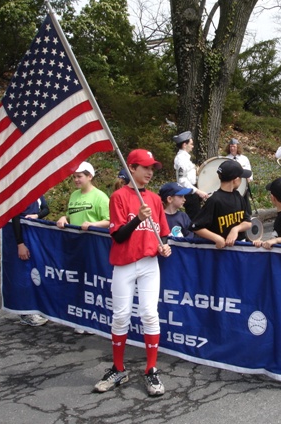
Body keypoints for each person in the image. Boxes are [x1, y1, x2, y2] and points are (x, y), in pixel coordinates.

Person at [93, 149, 171, 397]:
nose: (150, 172)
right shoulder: (118, 196)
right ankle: (118, 368)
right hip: (124, 263)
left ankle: (151, 369)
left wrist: (165, 245)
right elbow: (118, 235)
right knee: (121, 315)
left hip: (149, 263)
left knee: (149, 314)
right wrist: (137, 219)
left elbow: (163, 233)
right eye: (145, 167)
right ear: (132, 168)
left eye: (152, 168)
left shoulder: (156, 199)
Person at [189, 159, 252, 248]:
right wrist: (216, 238)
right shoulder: (214, 200)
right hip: (220, 252)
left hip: (238, 249)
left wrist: (236, 229)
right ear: (235, 180)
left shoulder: (238, 196)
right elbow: (195, 226)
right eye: (241, 177)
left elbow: (248, 222)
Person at [12, 196, 50, 327]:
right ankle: (25, 313)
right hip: (24, 238)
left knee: (36, 274)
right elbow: (15, 216)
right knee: (24, 274)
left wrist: (37, 215)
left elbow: (46, 209)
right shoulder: (21, 192)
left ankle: (36, 309)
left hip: (36, 237)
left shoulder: (38, 191)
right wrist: (20, 243)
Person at [56, 162, 110, 231]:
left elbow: (110, 221)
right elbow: (71, 215)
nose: (76, 180)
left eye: (79, 176)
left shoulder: (100, 197)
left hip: (92, 239)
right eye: (74, 177)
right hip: (74, 239)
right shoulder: (74, 195)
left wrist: (93, 225)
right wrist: (64, 218)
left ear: (90, 176)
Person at [173, 131, 209, 220]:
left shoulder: (185, 158)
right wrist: (198, 191)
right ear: (184, 145)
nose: (192, 147)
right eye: (191, 144)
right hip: (189, 192)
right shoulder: (181, 159)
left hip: (192, 191)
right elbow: (182, 180)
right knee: (194, 219)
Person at [225, 137, 253, 209]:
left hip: (243, 184)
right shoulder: (226, 159)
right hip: (231, 185)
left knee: (244, 203)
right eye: (231, 146)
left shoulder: (244, 158)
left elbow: (249, 171)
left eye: (234, 146)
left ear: (238, 147)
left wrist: (249, 179)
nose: (232, 148)